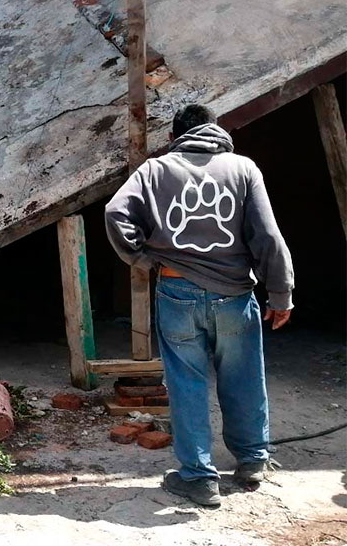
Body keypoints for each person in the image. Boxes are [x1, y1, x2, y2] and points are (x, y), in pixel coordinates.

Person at [104, 104, 294, 508]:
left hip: (177, 292)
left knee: (186, 384)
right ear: (215, 131)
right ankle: (252, 461)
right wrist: (281, 294)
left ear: (173, 138)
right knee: (244, 377)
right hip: (235, 295)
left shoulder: (154, 170)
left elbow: (115, 213)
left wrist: (143, 259)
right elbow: (267, 237)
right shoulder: (243, 169)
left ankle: (199, 478)